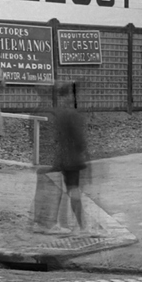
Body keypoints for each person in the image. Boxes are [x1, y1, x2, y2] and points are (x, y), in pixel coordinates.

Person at [47, 85, 90, 231]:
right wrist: (83, 151)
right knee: (74, 190)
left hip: (62, 157)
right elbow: (79, 139)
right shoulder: (72, 114)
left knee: (69, 189)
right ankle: (82, 226)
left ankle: (64, 223)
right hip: (73, 158)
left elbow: (56, 137)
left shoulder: (58, 113)